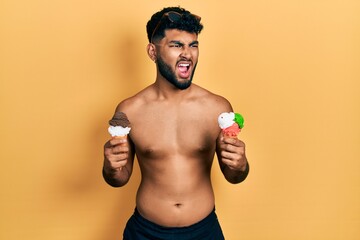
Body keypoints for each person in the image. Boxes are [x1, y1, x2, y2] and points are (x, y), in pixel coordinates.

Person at [103, 6, 249, 240]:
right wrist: (110, 167)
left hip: (204, 231)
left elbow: (234, 176)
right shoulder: (130, 110)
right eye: (176, 45)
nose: (187, 54)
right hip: (145, 233)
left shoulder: (217, 108)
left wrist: (240, 164)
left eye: (193, 45)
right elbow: (118, 179)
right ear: (152, 51)